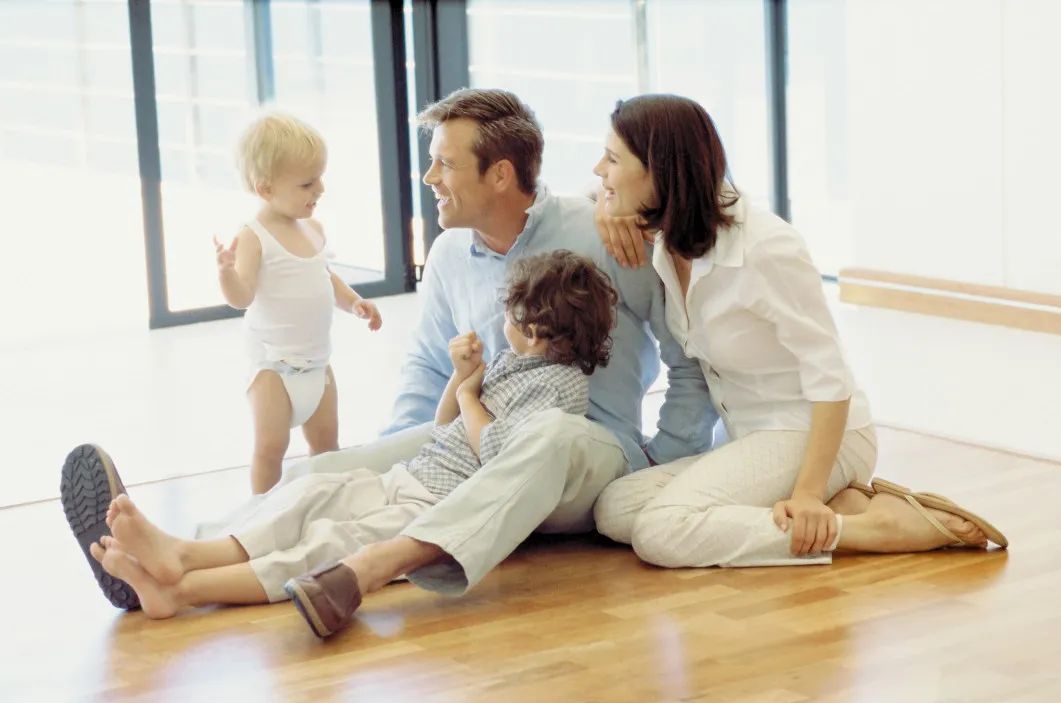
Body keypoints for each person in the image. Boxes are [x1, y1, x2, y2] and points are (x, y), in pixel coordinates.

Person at [63, 88, 718, 630]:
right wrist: (395, 465)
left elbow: (688, 357)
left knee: (546, 436)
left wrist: (664, 462)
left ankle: (317, 561)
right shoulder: (450, 256)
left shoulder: (604, 232)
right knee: (335, 474)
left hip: (588, 453)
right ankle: (175, 556)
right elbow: (430, 372)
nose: (428, 179)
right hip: (472, 449)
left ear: (498, 173)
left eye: (443, 164)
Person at [74, 250, 619, 634]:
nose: (504, 320)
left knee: (327, 545)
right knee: (307, 498)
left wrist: (475, 398)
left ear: (537, 329)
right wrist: (463, 378)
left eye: (513, 313)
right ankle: (185, 554)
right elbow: (445, 423)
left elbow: (499, 453)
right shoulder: (513, 362)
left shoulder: (560, 387)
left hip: (436, 506)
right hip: (410, 477)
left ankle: (182, 591)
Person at [590, 93, 1008, 570]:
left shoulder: (765, 247)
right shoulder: (669, 234)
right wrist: (605, 209)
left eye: (612, 158)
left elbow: (831, 377)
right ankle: (843, 505)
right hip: (752, 438)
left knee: (660, 532)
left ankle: (867, 528)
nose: (599, 168)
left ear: (659, 170)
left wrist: (808, 493)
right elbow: (581, 196)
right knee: (616, 508)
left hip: (813, 434)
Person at [217, 112, 382, 494]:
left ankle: (323, 501)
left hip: (318, 364)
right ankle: (260, 513)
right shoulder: (254, 236)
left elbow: (323, 277)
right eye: (308, 183)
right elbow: (242, 297)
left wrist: (355, 302)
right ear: (266, 189)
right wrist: (226, 273)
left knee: (326, 447)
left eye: (320, 178)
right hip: (274, 367)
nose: (320, 189)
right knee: (270, 448)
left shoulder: (313, 229)